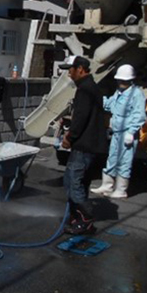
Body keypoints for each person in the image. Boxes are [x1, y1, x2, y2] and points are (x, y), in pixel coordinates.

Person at [60, 55, 108, 234]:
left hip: (84, 146)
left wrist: (69, 137)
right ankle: (77, 218)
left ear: (80, 69)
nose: (69, 74)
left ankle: (85, 219)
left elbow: (80, 118)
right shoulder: (92, 87)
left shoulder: (85, 90)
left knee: (73, 182)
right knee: (79, 182)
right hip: (92, 145)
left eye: (70, 70)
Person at [91, 64, 146, 199]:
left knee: (124, 161)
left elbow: (139, 115)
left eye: (123, 81)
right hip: (116, 132)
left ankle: (121, 189)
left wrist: (131, 132)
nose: (121, 83)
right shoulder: (119, 93)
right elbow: (110, 104)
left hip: (127, 133)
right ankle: (107, 185)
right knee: (112, 158)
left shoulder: (136, 94)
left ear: (129, 80)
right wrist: (98, 98)